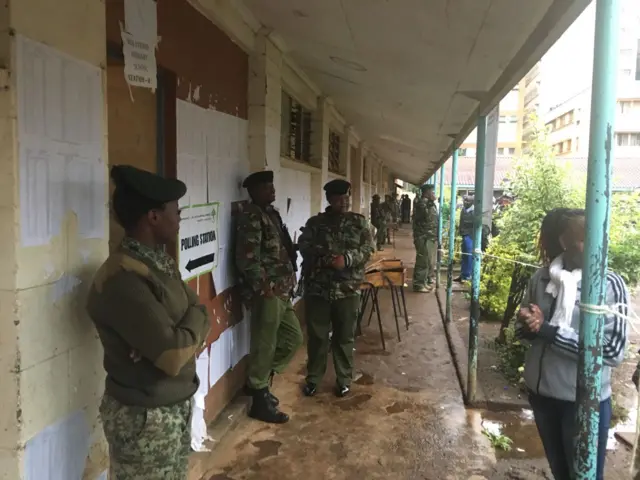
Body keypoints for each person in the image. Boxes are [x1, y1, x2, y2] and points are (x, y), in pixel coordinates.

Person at [87, 165, 211, 479]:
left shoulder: (155, 263)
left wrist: (178, 332)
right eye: (175, 211)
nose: (179, 217)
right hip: (145, 418)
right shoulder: (124, 277)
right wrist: (178, 335)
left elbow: (199, 308)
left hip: (170, 407)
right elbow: (172, 356)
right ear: (153, 217)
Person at [516, 208, 629, 480]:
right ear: (562, 240)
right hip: (543, 396)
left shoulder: (609, 284)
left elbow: (613, 351)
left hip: (582, 402)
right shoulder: (542, 278)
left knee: (585, 476)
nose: (590, 244)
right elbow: (521, 329)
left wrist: (549, 331)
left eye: (593, 237)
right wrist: (531, 327)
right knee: (560, 472)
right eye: (580, 238)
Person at [235, 170, 303, 424]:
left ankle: (258, 384)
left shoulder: (271, 214)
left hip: (283, 288)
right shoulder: (251, 217)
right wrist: (263, 287)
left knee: (293, 338)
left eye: (272, 186)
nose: (271, 190)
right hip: (268, 291)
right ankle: (259, 398)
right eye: (265, 187)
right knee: (264, 344)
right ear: (253, 191)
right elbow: (246, 258)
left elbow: (279, 249)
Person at [299, 179, 374, 398]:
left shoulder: (360, 223)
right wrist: (327, 259)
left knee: (344, 337)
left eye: (346, 197)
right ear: (329, 199)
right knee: (317, 337)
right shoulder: (315, 223)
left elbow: (368, 249)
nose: (344, 202)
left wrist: (347, 259)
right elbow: (304, 247)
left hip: (348, 289)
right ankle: (313, 379)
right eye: (339, 198)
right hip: (318, 289)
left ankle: (343, 379)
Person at [412, 184, 438, 292]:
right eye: (432, 192)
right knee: (422, 260)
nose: (434, 194)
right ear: (427, 192)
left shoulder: (429, 204)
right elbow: (424, 216)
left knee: (427, 261)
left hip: (429, 236)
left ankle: (424, 282)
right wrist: (430, 203)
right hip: (423, 236)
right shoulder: (422, 204)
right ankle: (419, 284)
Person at [456, 195, 474, 282]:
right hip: (464, 234)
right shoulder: (463, 210)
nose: (465, 202)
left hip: (470, 235)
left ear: (472, 202)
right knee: (464, 256)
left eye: (468, 201)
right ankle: (463, 274)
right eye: (465, 201)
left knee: (469, 256)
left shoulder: (474, 212)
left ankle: (467, 276)